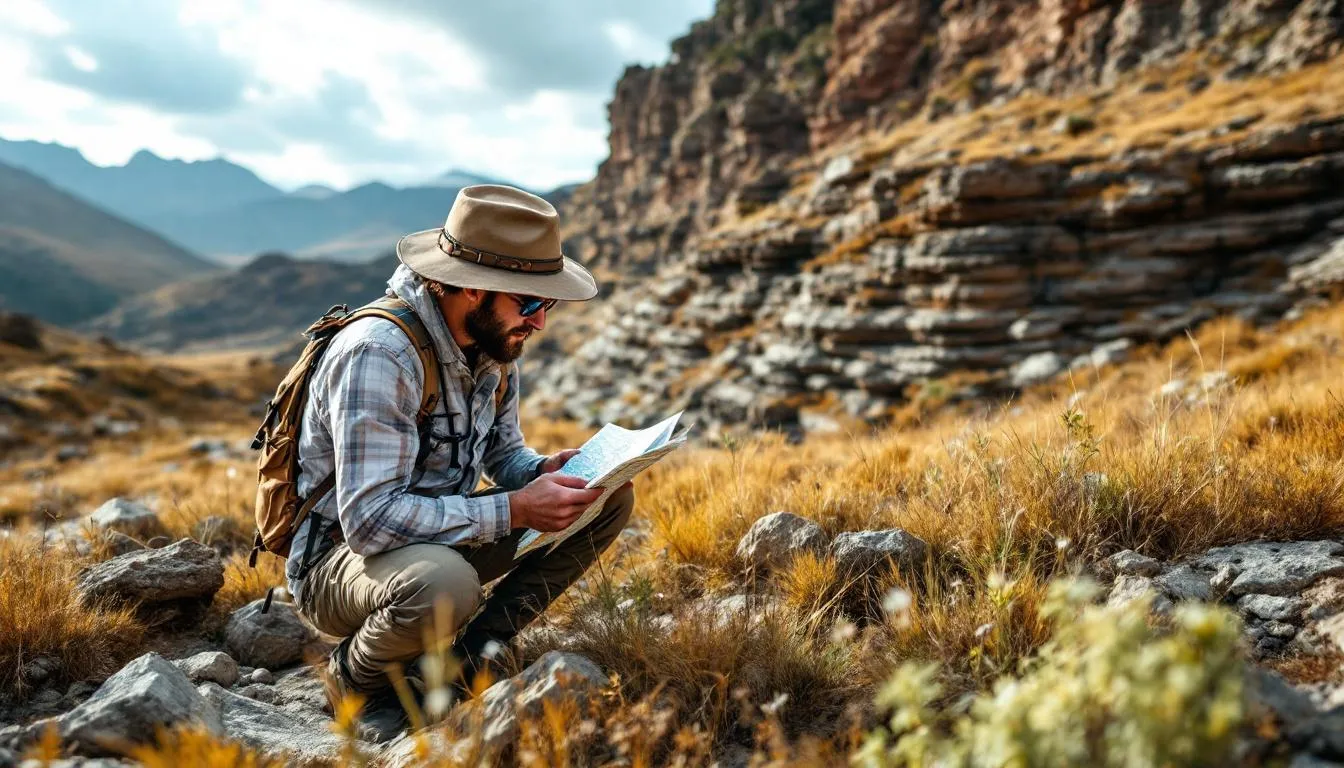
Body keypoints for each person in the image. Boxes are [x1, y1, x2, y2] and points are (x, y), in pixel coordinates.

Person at [285, 184, 633, 742]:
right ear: (473, 288)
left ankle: (470, 657)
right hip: (338, 564)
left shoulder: (492, 344)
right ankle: (356, 677)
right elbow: (371, 522)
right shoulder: (380, 353)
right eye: (530, 303)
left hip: (433, 537)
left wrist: (539, 473)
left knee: (606, 498)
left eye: (548, 304)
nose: (540, 322)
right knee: (444, 584)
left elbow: (502, 452)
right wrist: (516, 508)